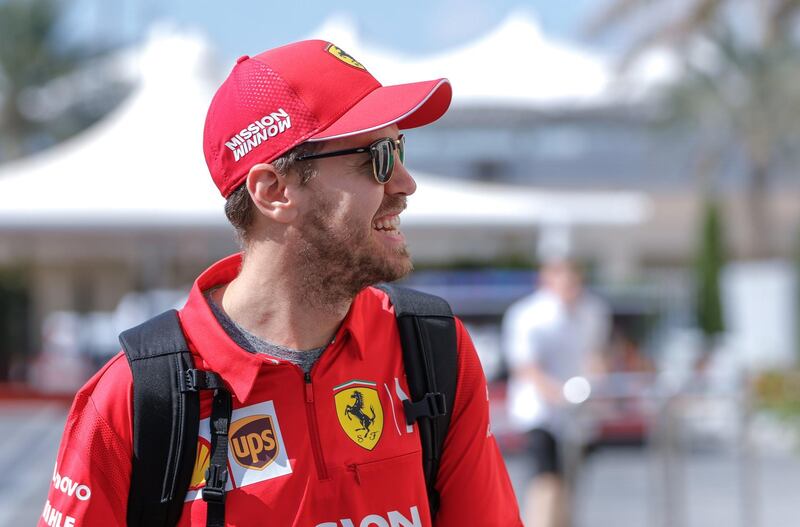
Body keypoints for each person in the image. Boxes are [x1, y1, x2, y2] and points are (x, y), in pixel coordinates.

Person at [38, 40, 522, 527]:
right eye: (377, 156)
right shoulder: (137, 395)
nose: (404, 182)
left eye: (399, 148)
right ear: (273, 191)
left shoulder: (433, 348)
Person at [502, 258, 610, 527]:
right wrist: (559, 394)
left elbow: (595, 355)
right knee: (546, 480)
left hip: (578, 415)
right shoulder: (529, 315)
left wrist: (594, 387)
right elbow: (526, 367)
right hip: (541, 412)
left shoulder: (592, 311)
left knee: (570, 482)